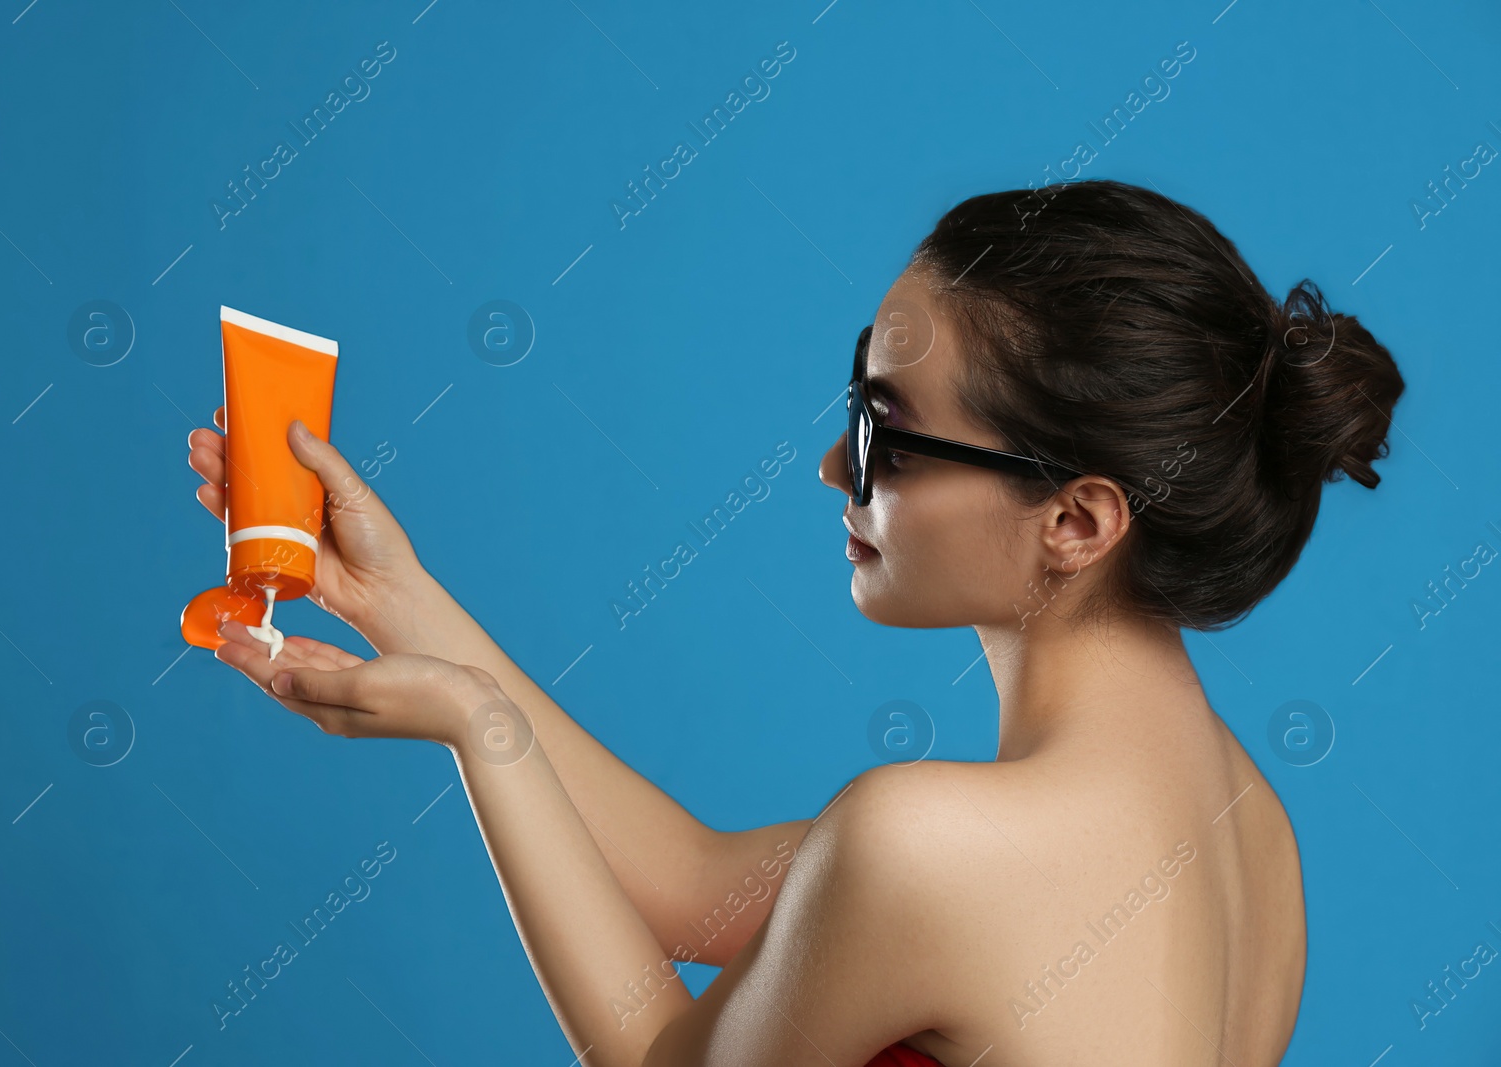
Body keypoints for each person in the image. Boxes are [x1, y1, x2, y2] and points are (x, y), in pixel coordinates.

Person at [187, 178, 1405, 1065]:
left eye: (883, 428)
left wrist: (479, 730)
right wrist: (395, 596)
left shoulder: (934, 844)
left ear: (1076, 522)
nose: (834, 465)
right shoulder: (1251, 830)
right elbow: (692, 885)